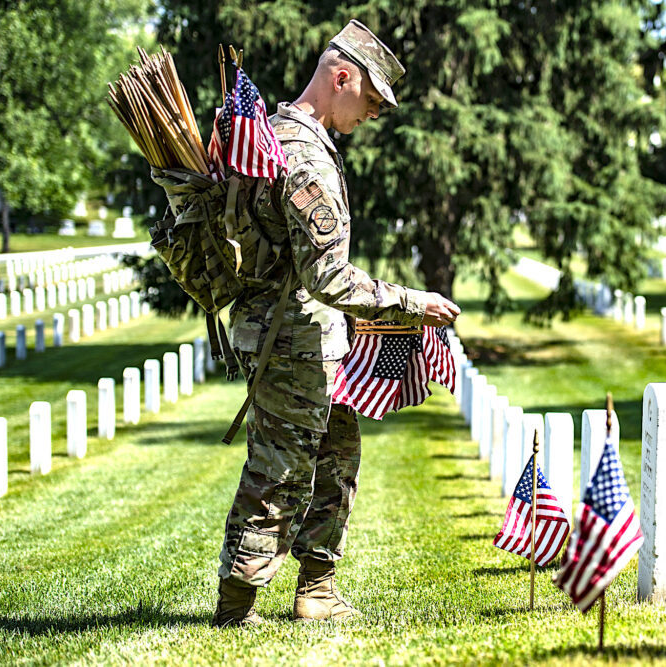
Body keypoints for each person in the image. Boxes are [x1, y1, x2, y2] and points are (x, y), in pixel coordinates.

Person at [212, 19, 461, 628]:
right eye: (370, 100)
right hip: (290, 339)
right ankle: (236, 603)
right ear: (340, 76)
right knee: (280, 470)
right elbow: (327, 278)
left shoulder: (299, 141)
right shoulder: (302, 154)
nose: (372, 114)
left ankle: (316, 590)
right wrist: (410, 302)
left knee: (336, 459)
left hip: (312, 335)